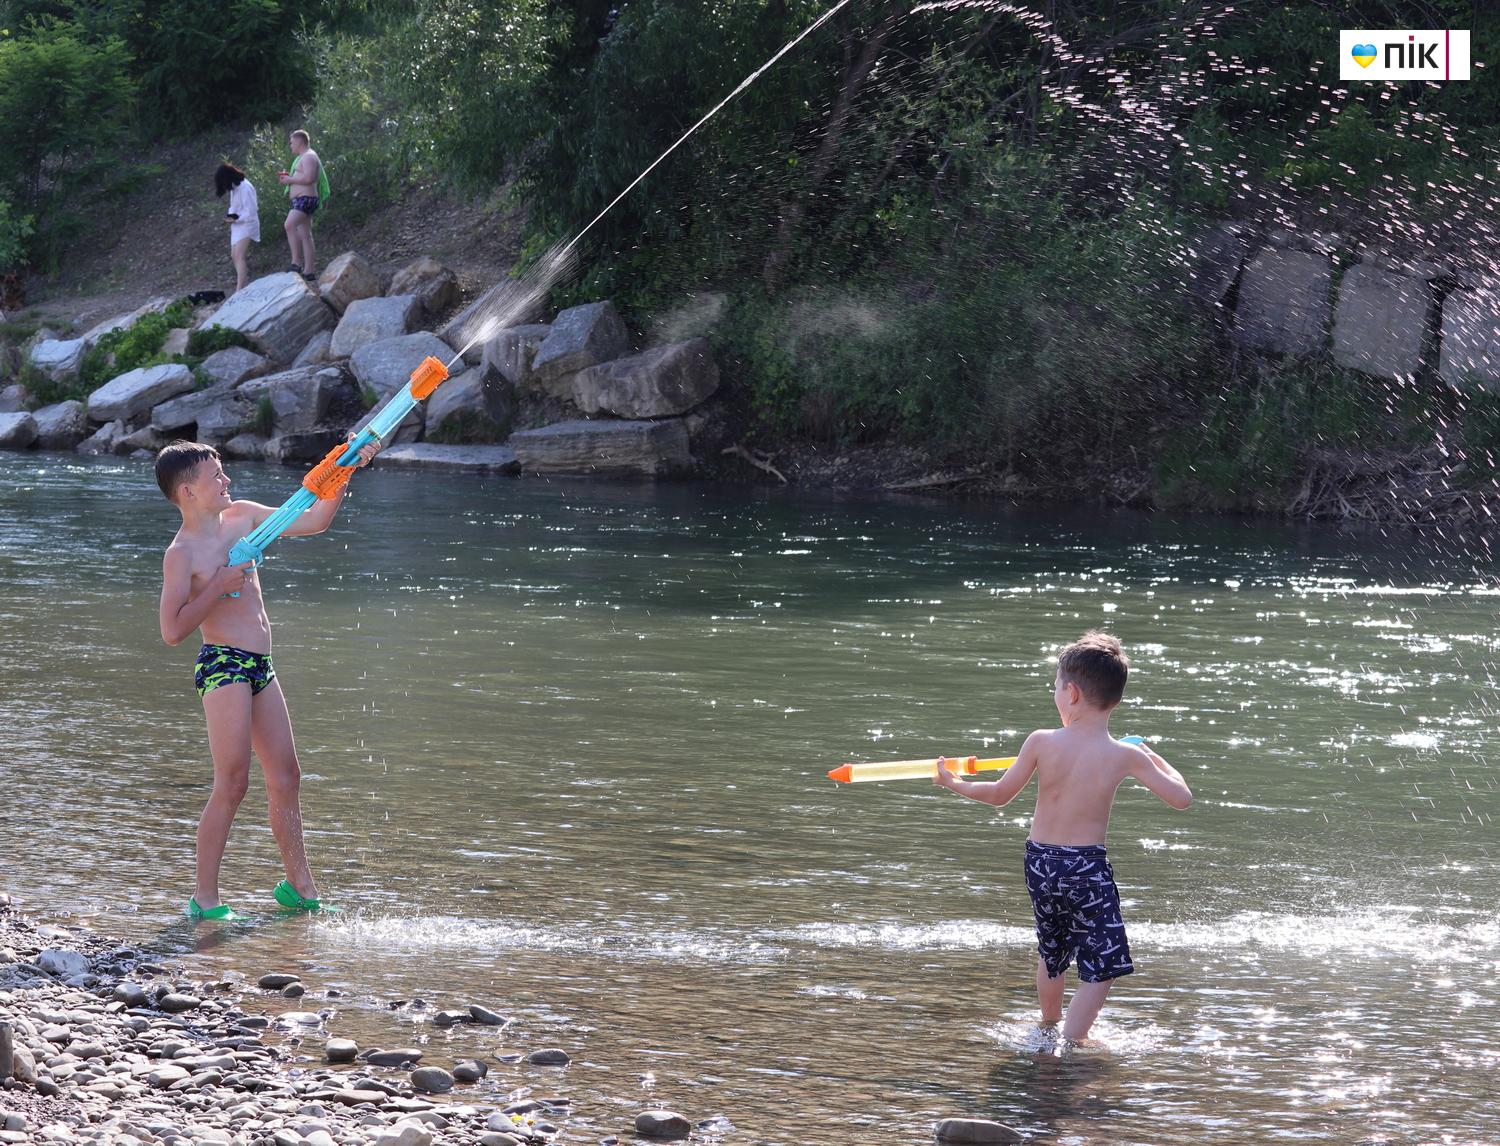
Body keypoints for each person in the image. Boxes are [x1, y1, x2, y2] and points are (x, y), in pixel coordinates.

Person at [155, 438, 379, 920]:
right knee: (233, 782)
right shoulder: (182, 553)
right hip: (223, 664)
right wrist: (219, 583)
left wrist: (345, 473)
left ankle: (299, 888)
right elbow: (172, 630)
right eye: (216, 476)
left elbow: (314, 520)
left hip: (261, 665)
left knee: (287, 777)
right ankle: (205, 899)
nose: (227, 481)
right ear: (188, 491)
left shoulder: (244, 517)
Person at [932, 631, 1192, 1044]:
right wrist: (1152, 754)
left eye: (1055, 685)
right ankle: (1072, 1043)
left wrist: (953, 783)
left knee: (1052, 950)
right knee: (1102, 966)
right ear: (1116, 700)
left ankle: (1048, 1025)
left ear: (1070, 693)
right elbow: (1181, 798)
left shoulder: (1041, 741)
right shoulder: (1125, 754)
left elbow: (998, 795)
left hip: (1040, 861)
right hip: (1085, 867)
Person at [276, 129, 327, 280]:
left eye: (291, 142)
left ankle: (296, 263)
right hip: (302, 199)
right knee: (305, 235)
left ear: (299, 142)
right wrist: (288, 179)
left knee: (289, 225)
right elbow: (303, 177)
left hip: (306, 199)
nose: (290, 145)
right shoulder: (303, 157)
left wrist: (290, 180)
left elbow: (310, 178)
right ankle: (309, 271)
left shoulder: (309, 156)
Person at [214, 163, 259, 293]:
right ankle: (243, 285)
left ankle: (240, 289)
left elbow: (251, 211)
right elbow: (233, 206)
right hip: (238, 225)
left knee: (239, 255)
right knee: (234, 255)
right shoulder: (235, 187)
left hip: (248, 224)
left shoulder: (245, 187)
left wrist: (236, 218)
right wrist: (230, 216)